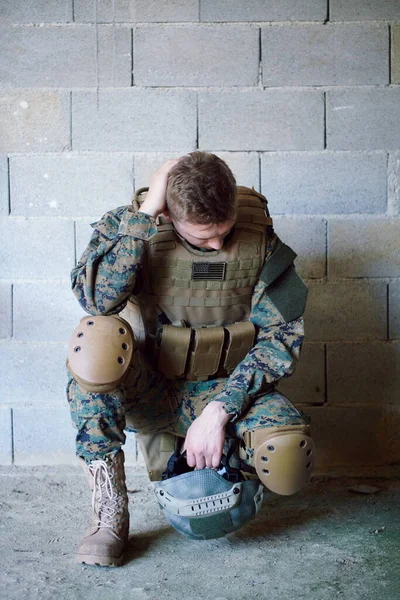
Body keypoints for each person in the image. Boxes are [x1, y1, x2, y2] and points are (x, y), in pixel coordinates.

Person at [66, 151, 314, 566]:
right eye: (203, 237)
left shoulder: (260, 239)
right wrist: (144, 218)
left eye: (225, 230)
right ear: (168, 214)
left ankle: (224, 474)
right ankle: (109, 515)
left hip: (225, 388)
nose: (217, 243)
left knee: (287, 454)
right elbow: (98, 301)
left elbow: (280, 339)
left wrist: (220, 411)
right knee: (95, 345)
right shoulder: (133, 227)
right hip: (151, 388)